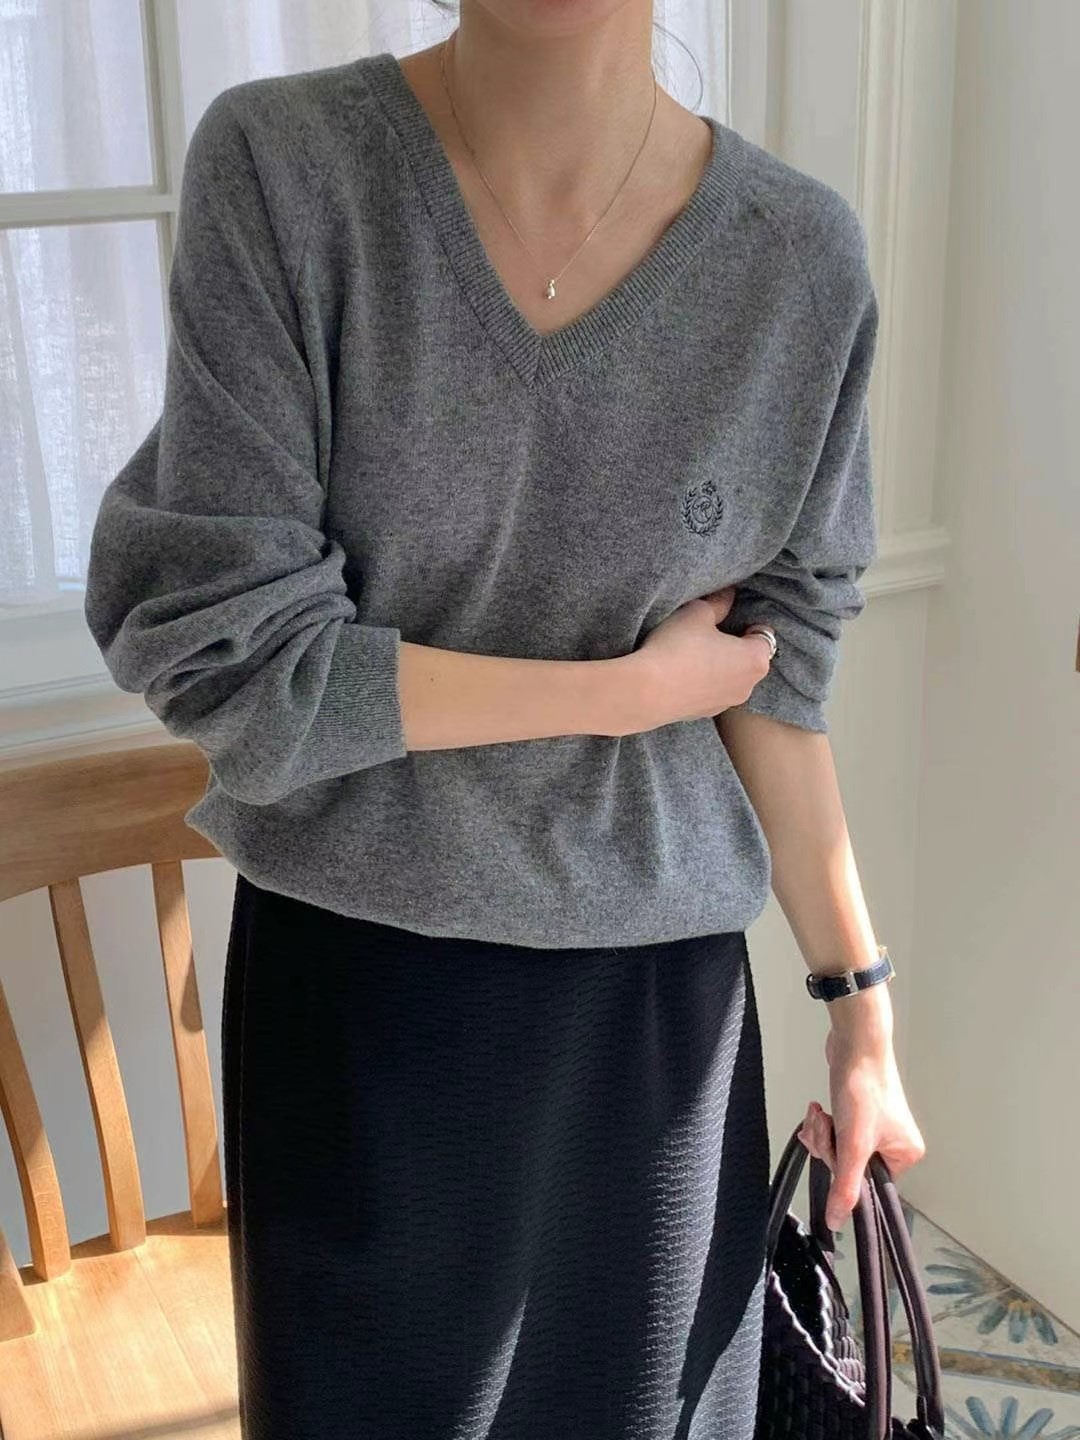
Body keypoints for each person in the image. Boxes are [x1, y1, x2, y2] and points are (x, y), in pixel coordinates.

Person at [83, 5, 926, 1437]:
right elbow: (238, 662)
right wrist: (622, 696)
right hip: (360, 1001)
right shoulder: (291, 171)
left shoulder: (796, 261)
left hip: (655, 1025)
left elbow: (777, 687)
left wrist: (862, 1011)